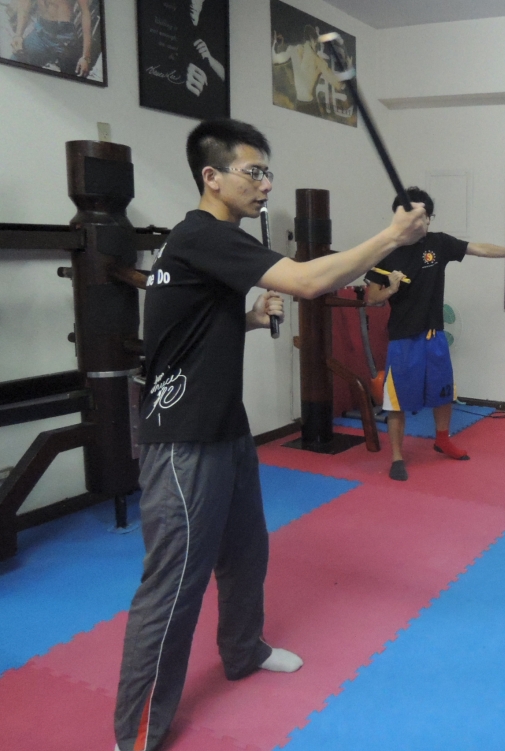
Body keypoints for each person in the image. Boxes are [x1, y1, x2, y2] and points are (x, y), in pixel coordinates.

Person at [113, 119, 426, 751]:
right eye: (252, 172)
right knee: (172, 586)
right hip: (183, 441)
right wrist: (391, 236)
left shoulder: (204, 242)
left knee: (246, 552)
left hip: (225, 428)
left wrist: (251, 319)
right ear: (212, 177)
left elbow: (186, 325)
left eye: (267, 172)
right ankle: (137, 732)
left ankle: (243, 650)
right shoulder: (203, 234)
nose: (265, 184)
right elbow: (310, 281)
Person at [366, 186, 505, 482]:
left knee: (443, 394)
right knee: (397, 402)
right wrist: (391, 289)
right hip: (403, 339)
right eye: (412, 214)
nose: (419, 221)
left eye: (424, 215)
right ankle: (397, 457)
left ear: (429, 218)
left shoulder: (438, 243)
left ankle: (442, 439)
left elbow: (479, 248)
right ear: (399, 217)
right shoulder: (385, 251)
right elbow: (371, 298)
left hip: (435, 335)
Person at [271, 25, 345, 118]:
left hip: (299, 104)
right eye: (316, 43)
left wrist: (275, 44)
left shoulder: (293, 50)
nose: (316, 46)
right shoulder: (318, 61)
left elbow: (275, 59)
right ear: (312, 40)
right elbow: (338, 85)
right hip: (310, 106)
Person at [10, 0, 92, 78]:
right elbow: (25, 3)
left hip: (65, 38)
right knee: (14, 63)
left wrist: (85, 56)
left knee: (75, 78)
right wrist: (18, 35)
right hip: (41, 32)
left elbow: (85, 12)